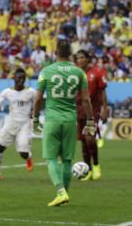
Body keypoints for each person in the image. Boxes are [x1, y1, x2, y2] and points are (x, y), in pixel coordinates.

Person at [33, 39, 95, 207]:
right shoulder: (79, 73)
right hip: (70, 121)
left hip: (52, 120)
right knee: (67, 160)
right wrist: (90, 121)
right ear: (70, 55)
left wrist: (35, 118)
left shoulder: (46, 71)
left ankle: (60, 192)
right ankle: (65, 194)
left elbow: (38, 98)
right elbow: (86, 100)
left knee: (51, 158)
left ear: (55, 53)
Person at [0, 68, 36, 181]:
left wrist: (34, 111)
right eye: (19, 78)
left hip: (24, 125)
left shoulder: (31, 92)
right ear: (14, 78)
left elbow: (40, 102)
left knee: (23, 153)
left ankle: (28, 158)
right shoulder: (7, 92)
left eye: (23, 78)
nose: (21, 80)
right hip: (11, 123)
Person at [75, 50, 108, 181]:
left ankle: (96, 165)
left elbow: (103, 92)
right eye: (78, 58)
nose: (80, 60)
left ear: (88, 59)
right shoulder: (74, 74)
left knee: (89, 138)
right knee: (83, 141)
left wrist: (105, 108)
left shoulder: (97, 73)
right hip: (79, 110)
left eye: (83, 57)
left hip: (93, 110)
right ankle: (87, 170)